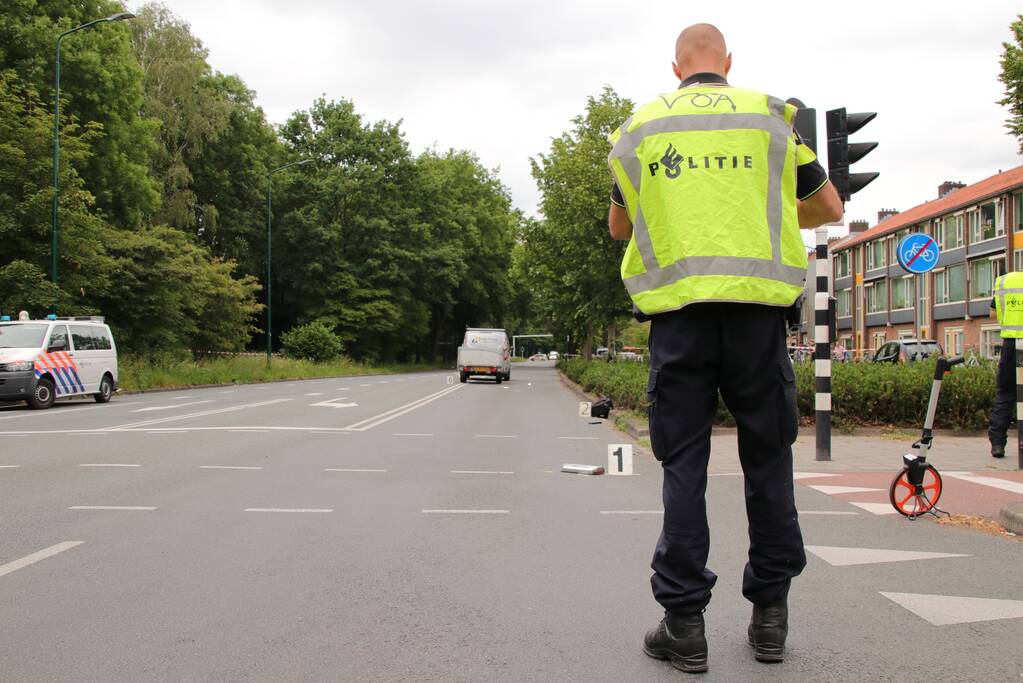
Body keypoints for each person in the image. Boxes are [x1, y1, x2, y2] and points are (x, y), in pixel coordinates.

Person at [606, 24, 843, 673]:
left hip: (678, 320)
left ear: (675, 66)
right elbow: (827, 203)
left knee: (684, 463)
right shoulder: (767, 118)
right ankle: (769, 617)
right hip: (757, 319)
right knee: (767, 460)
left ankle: (683, 624)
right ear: (727, 64)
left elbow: (619, 224)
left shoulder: (642, 127)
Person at [988, 272, 1023, 457]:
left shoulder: (1006, 282)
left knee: (1006, 394)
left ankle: (998, 445)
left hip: (1011, 344)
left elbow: (993, 312)